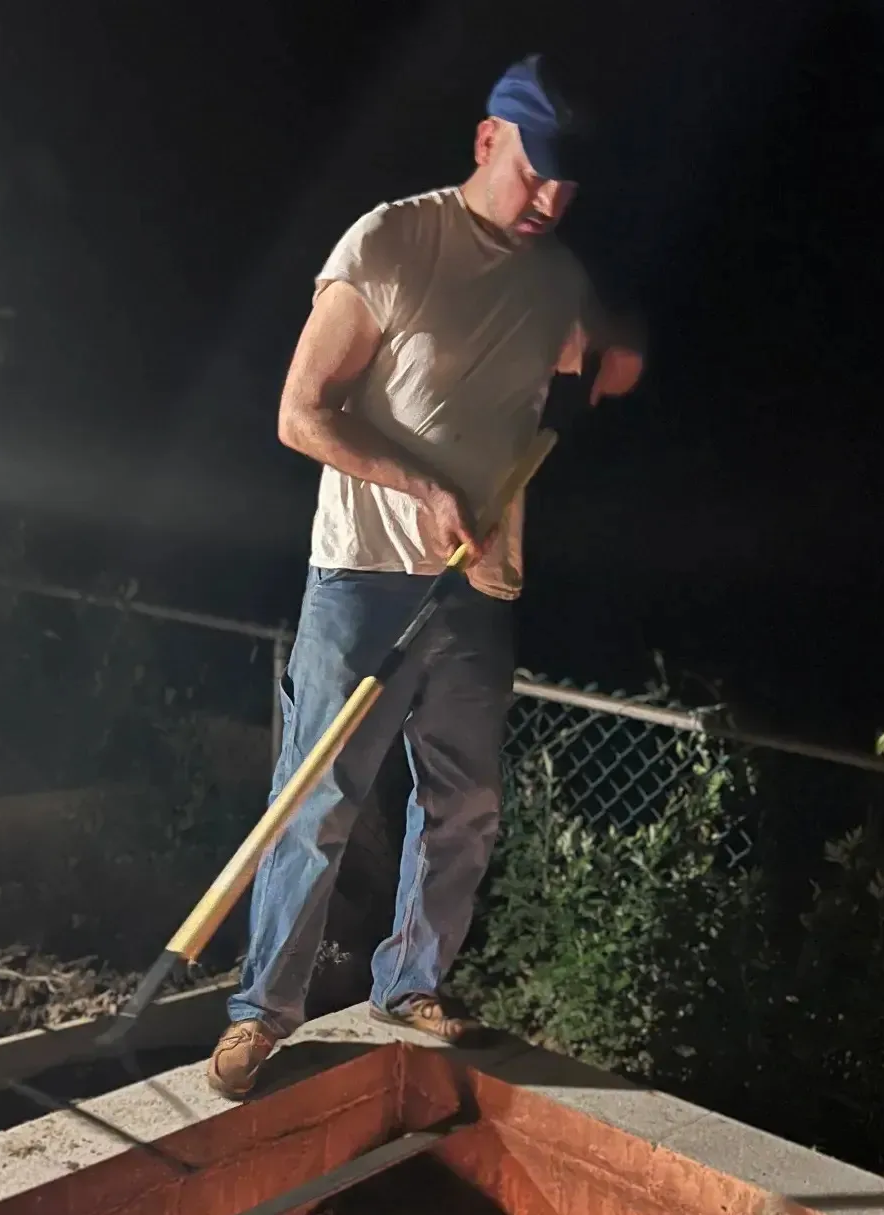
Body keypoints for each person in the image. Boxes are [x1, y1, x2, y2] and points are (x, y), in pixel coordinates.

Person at [207, 52, 645, 1100]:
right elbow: (301, 414)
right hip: (362, 575)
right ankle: (262, 1012)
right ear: (488, 139)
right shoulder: (392, 241)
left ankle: (411, 984)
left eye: (569, 184)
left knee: (466, 806)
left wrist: (614, 354)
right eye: (534, 171)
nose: (550, 200)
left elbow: (588, 349)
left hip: (481, 585)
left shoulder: (556, 275)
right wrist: (425, 484)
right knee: (318, 800)